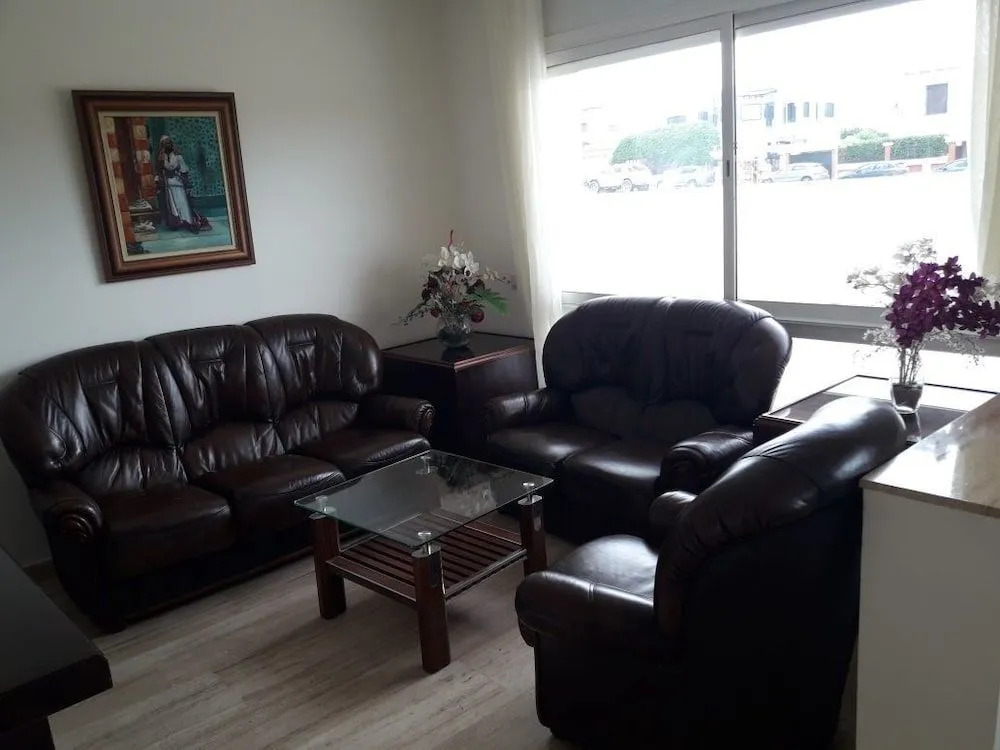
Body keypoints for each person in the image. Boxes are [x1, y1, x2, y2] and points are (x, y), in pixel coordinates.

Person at [154, 135, 211, 233]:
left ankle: (189, 221)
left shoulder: (178, 157)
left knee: (182, 203)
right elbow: (159, 171)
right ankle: (175, 222)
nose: (167, 145)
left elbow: (184, 170)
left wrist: (185, 181)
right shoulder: (161, 158)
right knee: (172, 205)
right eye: (165, 144)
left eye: (168, 143)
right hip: (167, 185)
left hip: (178, 183)